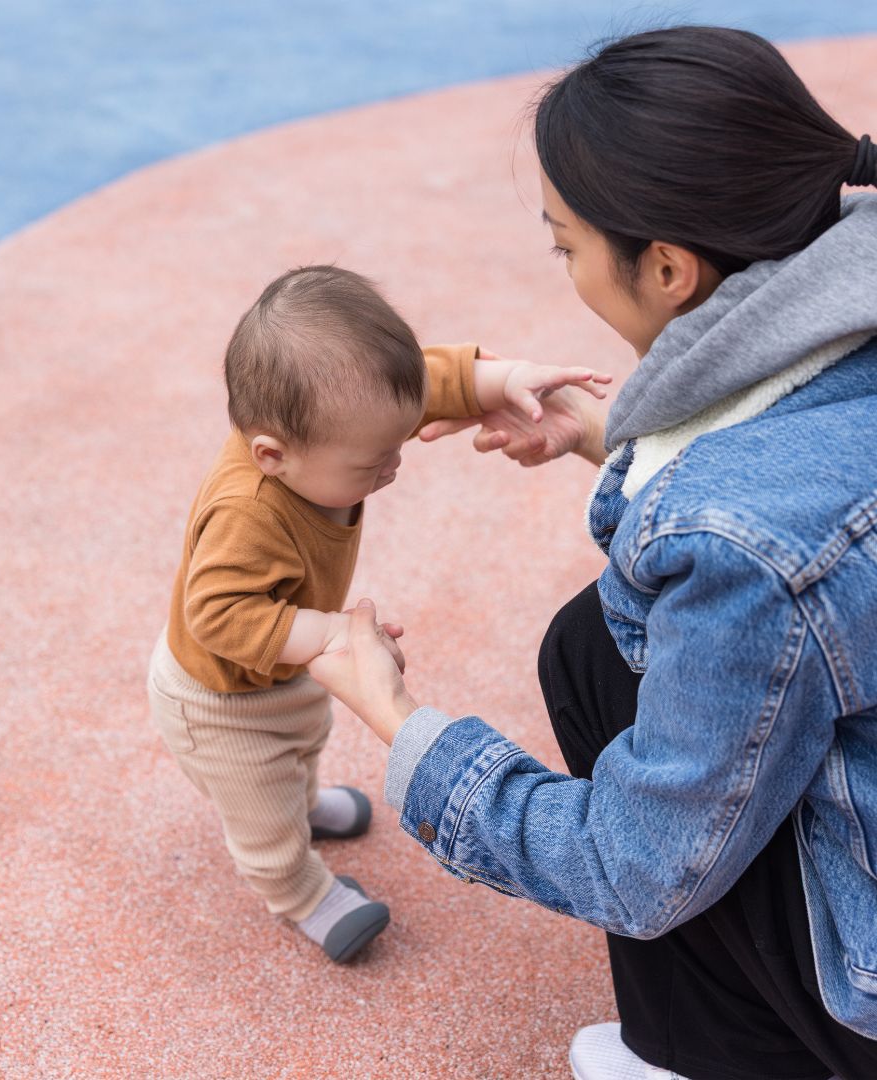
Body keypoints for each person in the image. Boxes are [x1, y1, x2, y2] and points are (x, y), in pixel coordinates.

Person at [306, 26, 877, 1079]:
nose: (565, 268)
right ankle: (692, 1038)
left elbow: (635, 864)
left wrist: (398, 722)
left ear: (665, 267)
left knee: (633, 733)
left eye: (566, 246)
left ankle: (739, 1055)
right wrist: (611, 439)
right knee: (593, 644)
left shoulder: (737, 545)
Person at [147, 265, 609, 963]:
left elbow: (413, 384)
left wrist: (496, 380)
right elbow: (218, 615)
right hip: (221, 703)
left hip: (278, 664)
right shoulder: (248, 513)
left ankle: (305, 803)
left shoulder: (323, 429)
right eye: (371, 463)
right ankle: (298, 891)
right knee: (261, 800)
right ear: (272, 454)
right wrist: (331, 632)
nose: (392, 465)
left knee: (304, 737)